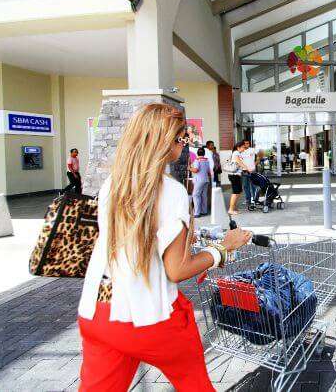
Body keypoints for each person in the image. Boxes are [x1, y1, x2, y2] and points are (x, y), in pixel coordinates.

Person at [77, 103, 251, 391]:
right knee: (194, 384)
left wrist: (181, 240)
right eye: (180, 138)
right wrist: (223, 248)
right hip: (149, 319)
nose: (184, 144)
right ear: (161, 142)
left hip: (99, 312)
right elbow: (177, 270)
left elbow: (133, 239)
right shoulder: (171, 191)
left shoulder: (113, 184)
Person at [190, 147, 212, 217]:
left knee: (196, 195)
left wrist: (189, 168)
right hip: (206, 180)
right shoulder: (207, 161)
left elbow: (196, 170)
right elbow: (209, 172)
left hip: (199, 180)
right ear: (204, 153)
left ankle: (197, 213)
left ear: (197, 153)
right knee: (204, 195)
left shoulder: (197, 160)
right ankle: (204, 211)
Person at [228, 141, 247, 215]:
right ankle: (231, 209)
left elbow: (239, 162)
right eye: (243, 147)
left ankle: (234, 208)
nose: (244, 149)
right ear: (238, 147)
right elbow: (238, 161)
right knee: (235, 192)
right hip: (234, 175)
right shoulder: (236, 153)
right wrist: (246, 168)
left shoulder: (237, 153)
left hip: (237, 175)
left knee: (239, 192)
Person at [241, 140, 257, 205]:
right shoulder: (240, 151)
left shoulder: (252, 150)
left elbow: (261, 154)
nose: (246, 145)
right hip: (244, 171)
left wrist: (255, 164)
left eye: (247, 143)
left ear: (249, 144)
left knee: (253, 186)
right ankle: (248, 200)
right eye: (244, 143)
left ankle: (255, 199)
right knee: (245, 186)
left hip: (252, 171)